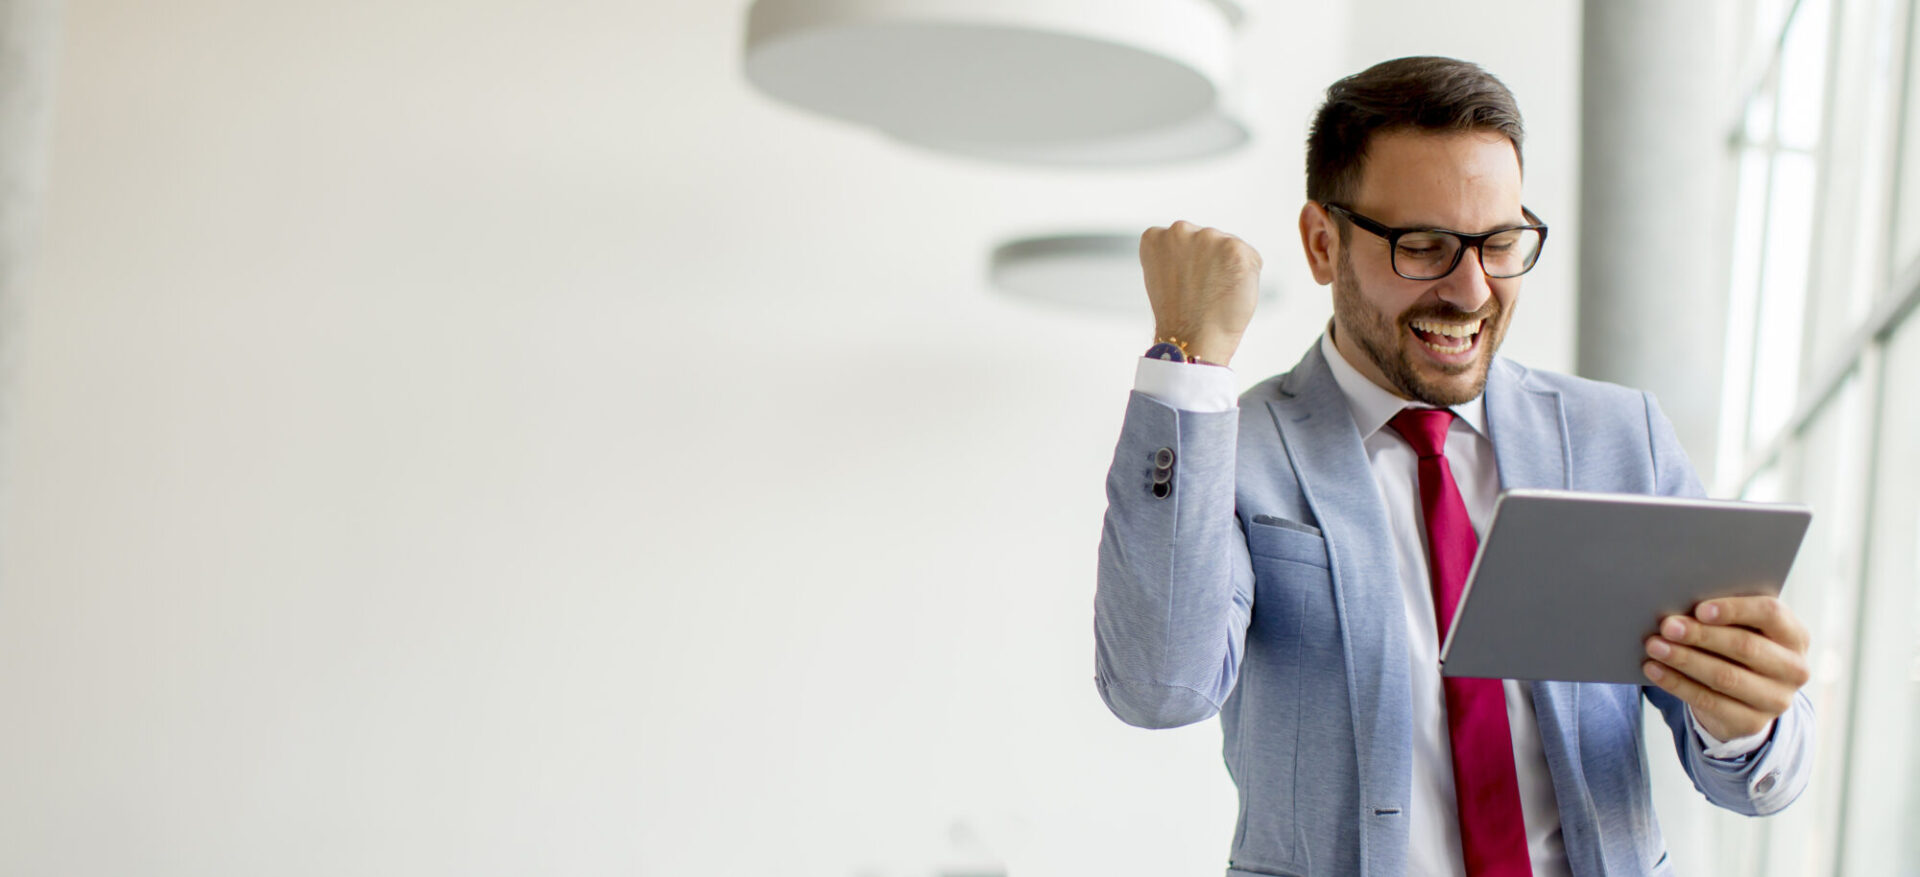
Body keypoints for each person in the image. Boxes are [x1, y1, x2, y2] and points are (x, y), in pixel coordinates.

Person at [1093, 56, 1814, 877]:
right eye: (1425, 246)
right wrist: (1190, 361)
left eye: (1500, 243)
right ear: (1323, 243)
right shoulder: (1238, 447)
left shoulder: (1620, 438)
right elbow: (1158, 687)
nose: (1472, 291)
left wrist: (1747, 715)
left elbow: (1757, 778)